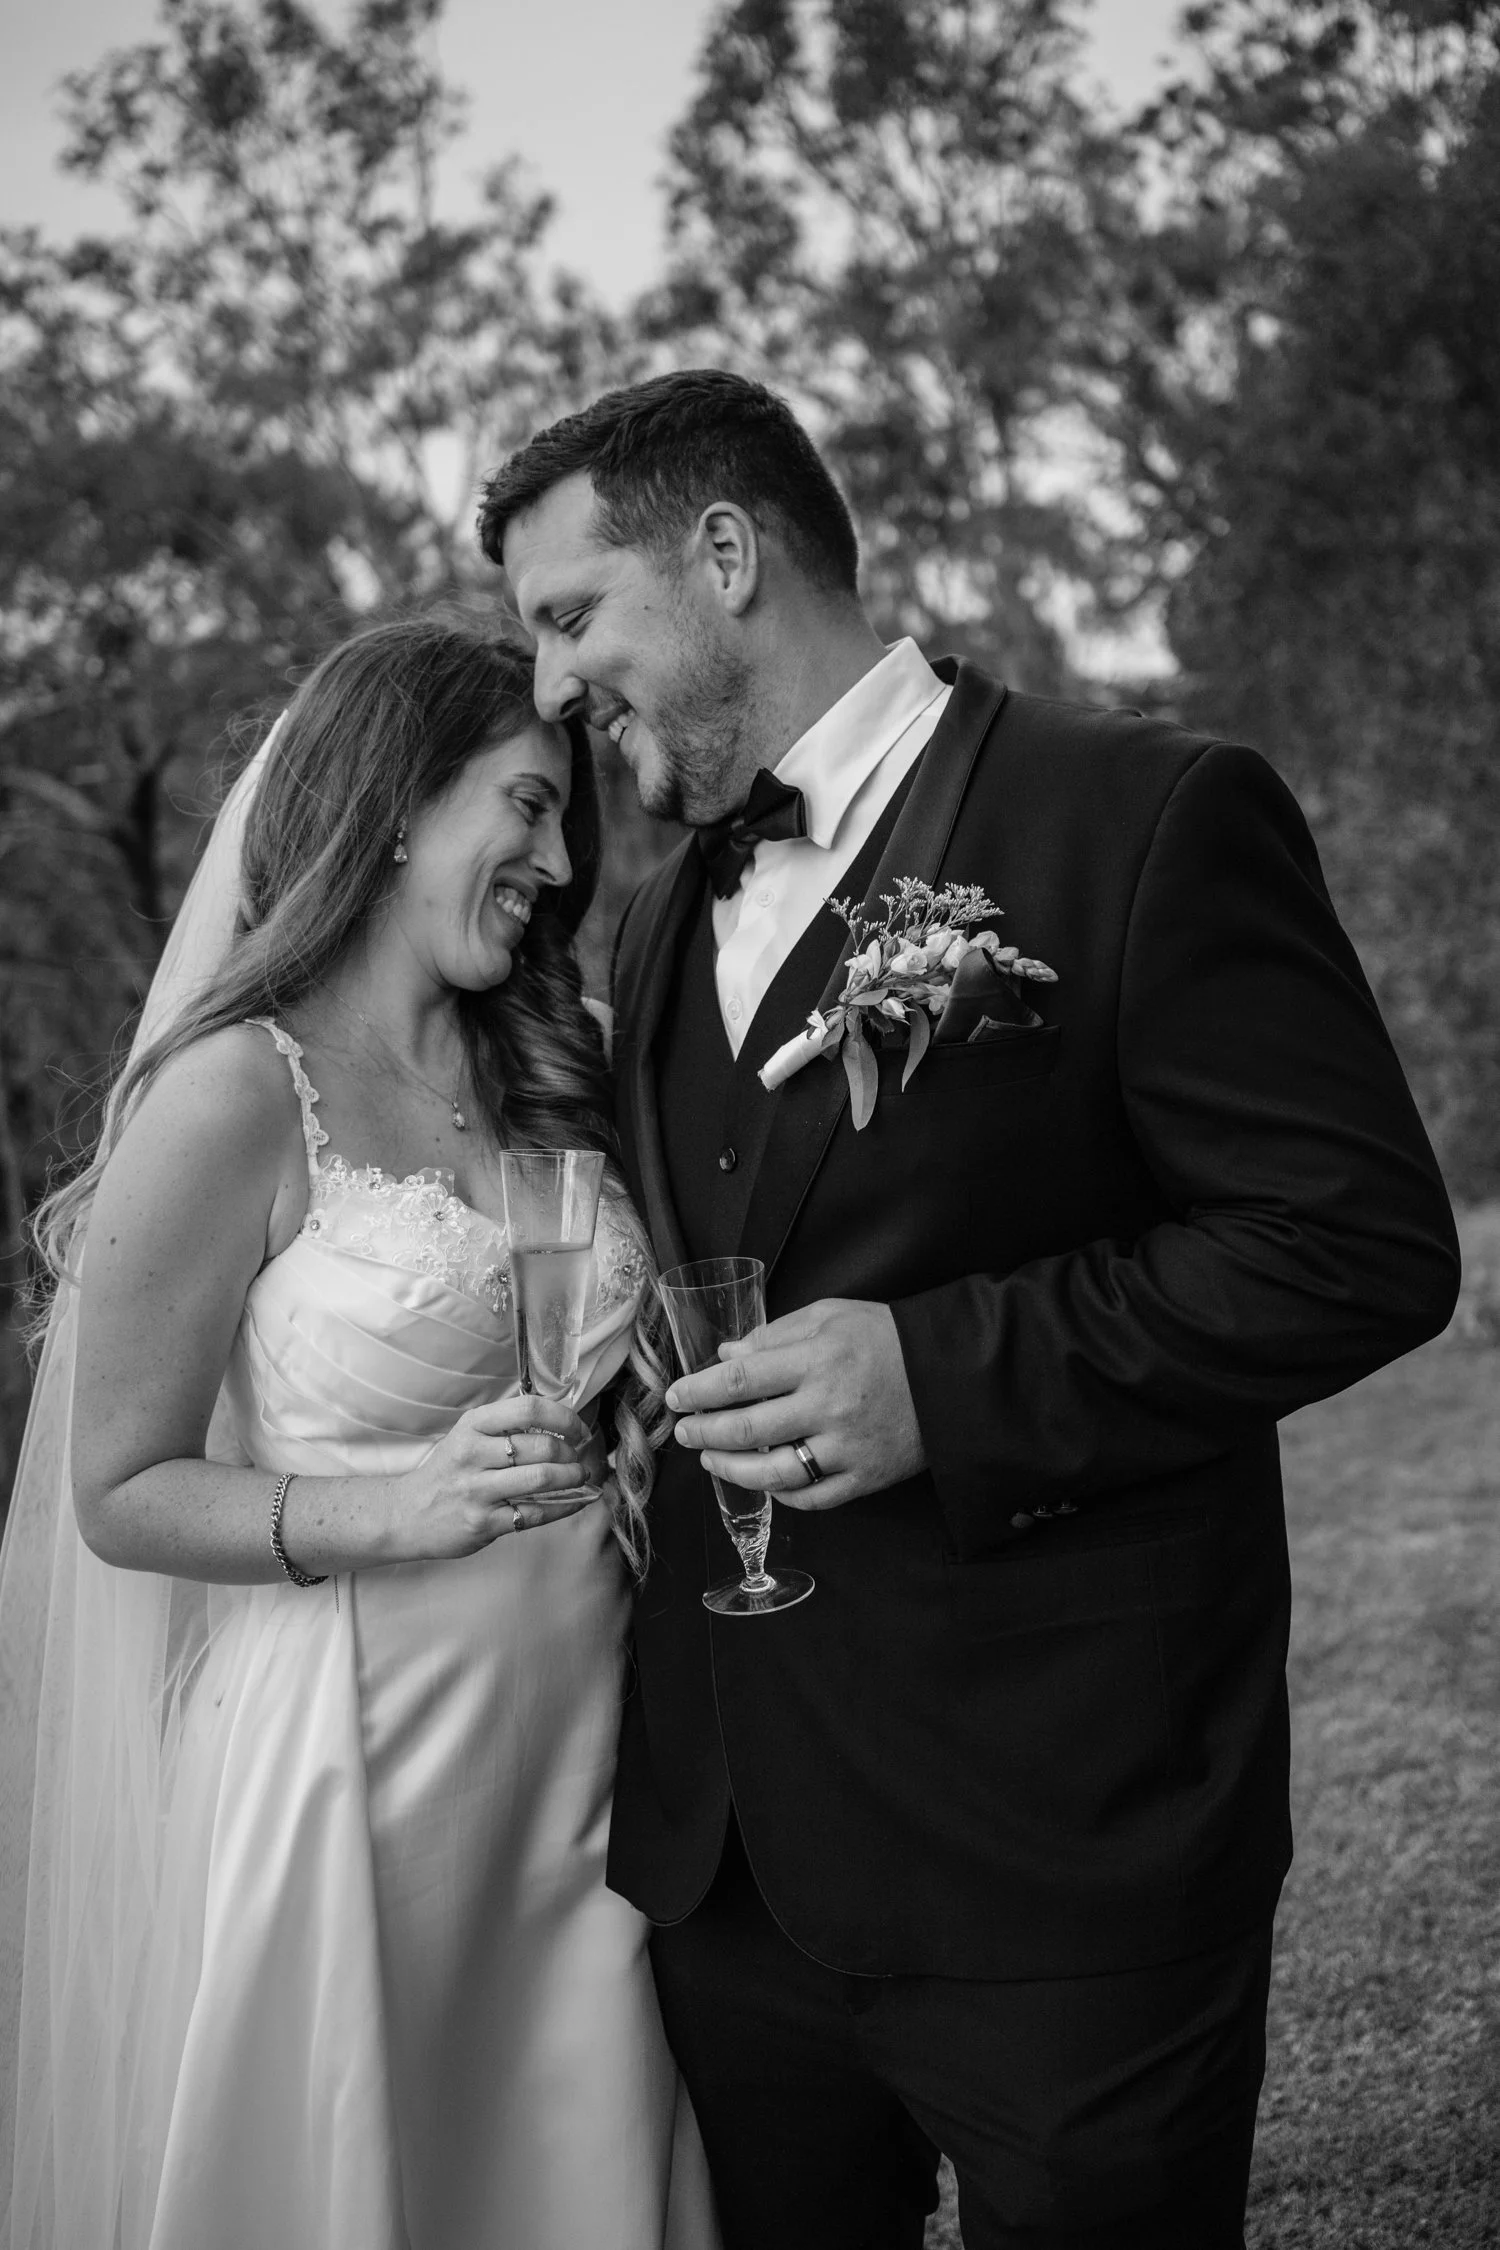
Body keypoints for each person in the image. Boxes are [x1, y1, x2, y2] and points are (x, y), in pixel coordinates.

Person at [482, 369, 1463, 2250]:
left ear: (723, 553)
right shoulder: (648, 908)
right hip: (734, 1873)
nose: (548, 687)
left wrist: (945, 1373)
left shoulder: (1146, 813)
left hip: (1066, 1859)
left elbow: (1356, 1241)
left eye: (568, 614)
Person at [0, 620, 717, 2250]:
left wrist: (651, 1413)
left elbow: (591, 1356)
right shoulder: (231, 1098)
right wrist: (393, 1511)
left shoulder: (549, 1059)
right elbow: (114, 1490)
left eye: (566, 822)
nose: (557, 858)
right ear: (394, 806)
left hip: (592, 1735)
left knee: (576, 2144)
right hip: (357, 1748)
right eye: (528, 805)